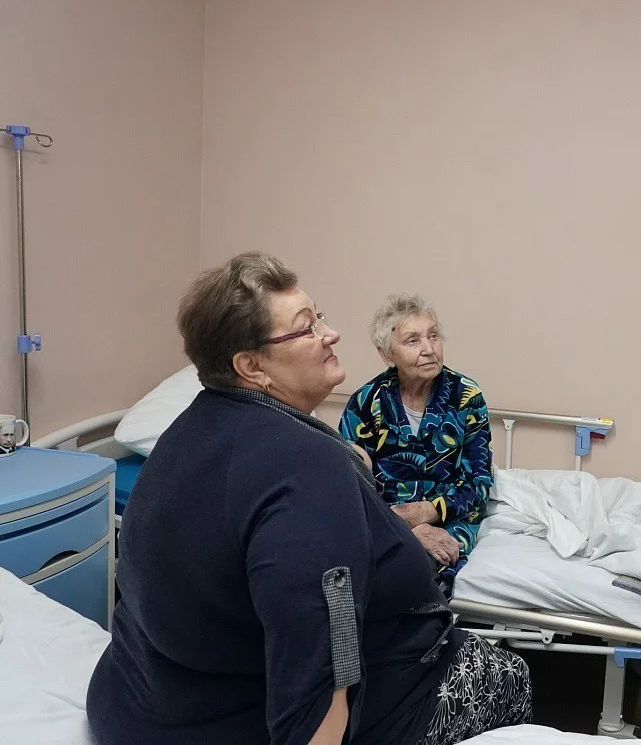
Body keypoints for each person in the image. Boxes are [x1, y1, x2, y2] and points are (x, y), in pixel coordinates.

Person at [87, 253, 531, 745]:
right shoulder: (312, 470)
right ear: (252, 366)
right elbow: (319, 680)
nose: (331, 333)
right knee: (509, 675)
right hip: (233, 716)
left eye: (319, 317)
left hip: (133, 700)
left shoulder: (189, 432)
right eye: (307, 327)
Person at [340, 294, 493, 596]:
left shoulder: (466, 397)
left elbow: (479, 485)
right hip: (385, 520)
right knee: (347, 560)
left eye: (433, 336)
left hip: (449, 519)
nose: (429, 349)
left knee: (416, 569)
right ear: (387, 353)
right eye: (413, 341)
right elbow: (351, 487)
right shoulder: (366, 403)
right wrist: (405, 526)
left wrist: (427, 513)